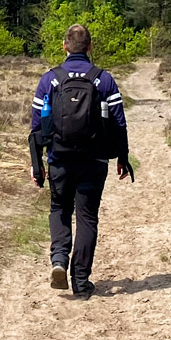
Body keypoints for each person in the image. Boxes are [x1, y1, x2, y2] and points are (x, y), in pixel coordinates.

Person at [29, 22, 134, 297]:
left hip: (59, 159)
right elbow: (119, 123)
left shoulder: (48, 80)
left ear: (64, 46)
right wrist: (122, 157)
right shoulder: (105, 79)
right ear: (89, 47)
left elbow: (37, 127)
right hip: (94, 160)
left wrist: (37, 164)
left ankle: (59, 261)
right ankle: (81, 280)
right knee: (87, 217)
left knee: (59, 210)